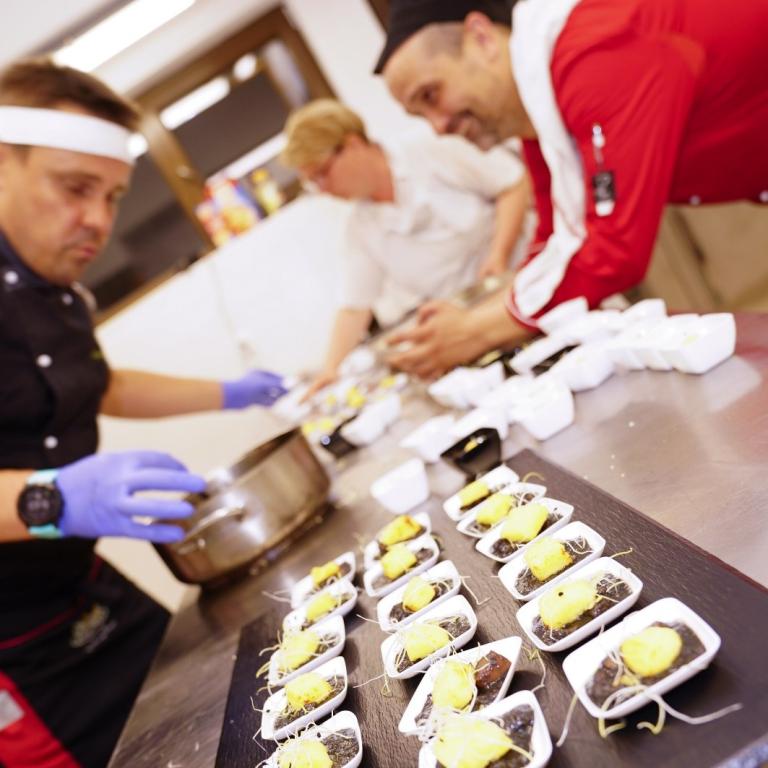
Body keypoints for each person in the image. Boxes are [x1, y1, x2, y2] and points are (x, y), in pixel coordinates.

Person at [0, 58, 286, 768]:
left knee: (231, 710)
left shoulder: (60, 294)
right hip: (15, 655)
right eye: (75, 188)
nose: (99, 221)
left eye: (113, 196)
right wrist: (53, 498)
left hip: (84, 587)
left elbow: (98, 385)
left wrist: (230, 392)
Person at [374, 0, 768, 379]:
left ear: (482, 38)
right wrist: (481, 316)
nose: (438, 126)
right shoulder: (540, 109)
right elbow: (557, 233)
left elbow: (615, 248)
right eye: (420, 115)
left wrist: (477, 330)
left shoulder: (592, 54)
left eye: (431, 95)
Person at [280, 98, 531, 395]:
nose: (323, 190)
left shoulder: (431, 148)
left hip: (524, 287)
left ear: (352, 144)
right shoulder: (360, 228)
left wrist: (499, 252)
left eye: (322, 173)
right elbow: (354, 307)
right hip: (470, 326)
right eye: (313, 183)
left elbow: (513, 184)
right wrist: (331, 370)